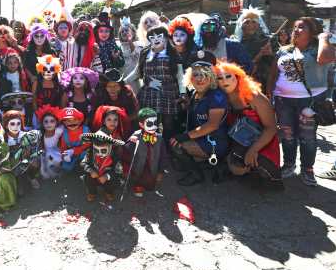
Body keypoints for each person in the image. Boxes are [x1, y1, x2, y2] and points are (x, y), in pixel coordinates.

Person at [266, 17, 336, 186]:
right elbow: (273, 74)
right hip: (283, 101)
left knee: (308, 138)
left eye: (301, 27)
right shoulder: (283, 51)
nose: (295, 30)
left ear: (312, 32)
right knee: (288, 136)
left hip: (309, 102)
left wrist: (323, 37)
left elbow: (325, 58)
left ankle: (307, 170)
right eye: (295, 27)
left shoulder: (318, 50)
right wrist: (269, 94)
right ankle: (289, 165)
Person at [215, 62, 282, 185]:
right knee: (235, 168)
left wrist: (253, 150)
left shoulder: (255, 97)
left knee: (244, 170)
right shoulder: (220, 97)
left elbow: (271, 128)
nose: (225, 81)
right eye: (219, 78)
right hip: (236, 139)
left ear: (238, 77)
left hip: (262, 142)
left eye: (228, 76)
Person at [170, 51, 229, 186]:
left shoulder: (216, 96)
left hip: (215, 141)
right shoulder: (196, 93)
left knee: (178, 145)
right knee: (179, 159)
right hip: (202, 137)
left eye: (205, 74)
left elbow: (212, 125)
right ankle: (206, 162)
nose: (200, 78)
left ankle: (198, 174)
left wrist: (185, 137)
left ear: (212, 77)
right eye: (196, 74)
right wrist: (184, 105)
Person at [120, 108, 167, 197]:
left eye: (155, 123)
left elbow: (163, 156)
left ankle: (148, 183)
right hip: (138, 167)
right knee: (138, 179)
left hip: (153, 166)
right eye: (149, 124)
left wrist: (161, 171)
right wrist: (125, 168)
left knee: (150, 185)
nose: (153, 127)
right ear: (141, 124)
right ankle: (137, 185)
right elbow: (126, 153)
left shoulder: (160, 138)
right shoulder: (135, 136)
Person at [234, 7, 273, 92]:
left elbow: (275, 65)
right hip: (240, 80)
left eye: (254, 22)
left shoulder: (266, 40)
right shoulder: (235, 42)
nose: (250, 25)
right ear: (241, 25)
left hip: (261, 81)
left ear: (259, 24)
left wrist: (270, 54)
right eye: (247, 22)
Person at [80, 130, 125, 202]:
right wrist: (90, 170)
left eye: (103, 151)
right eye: (97, 150)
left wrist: (107, 176)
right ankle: (92, 192)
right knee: (88, 177)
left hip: (107, 178)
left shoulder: (115, 157)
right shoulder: (90, 153)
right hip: (94, 176)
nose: (100, 154)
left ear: (110, 148)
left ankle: (109, 192)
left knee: (114, 181)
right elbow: (83, 163)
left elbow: (119, 172)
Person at [35, 105, 64, 179]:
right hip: (46, 156)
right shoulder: (40, 135)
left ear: (56, 122)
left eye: (52, 121)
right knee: (48, 157)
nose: (49, 124)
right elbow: (41, 153)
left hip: (57, 154)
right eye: (46, 122)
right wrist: (42, 170)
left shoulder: (59, 131)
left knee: (57, 159)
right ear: (42, 123)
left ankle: (58, 173)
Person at [117, 16, 143, 94]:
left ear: (133, 32)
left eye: (126, 30)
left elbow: (135, 55)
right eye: (122, 31)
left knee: (135, 95)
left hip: (134, 78)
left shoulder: (138, 44)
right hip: (123, 77)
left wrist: (130, 41)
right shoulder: (119, 46)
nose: (124, 33)